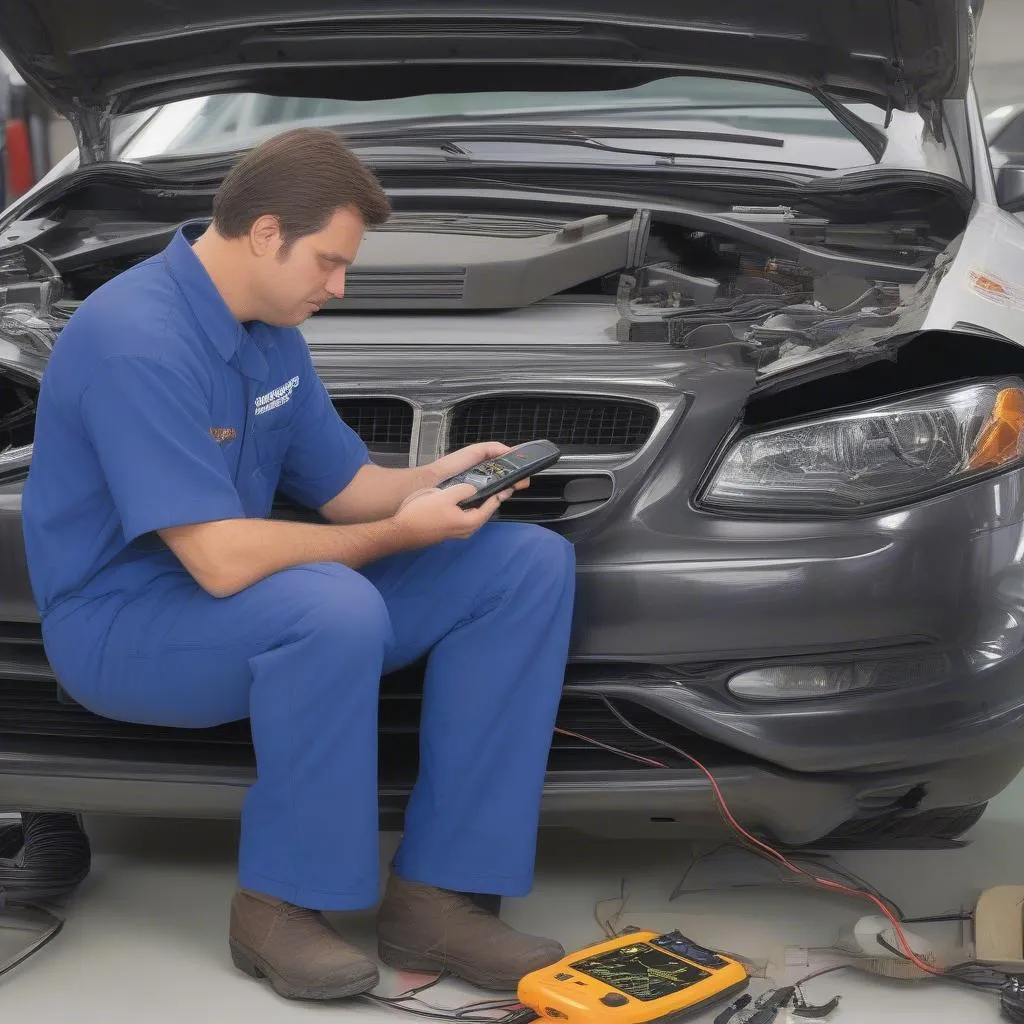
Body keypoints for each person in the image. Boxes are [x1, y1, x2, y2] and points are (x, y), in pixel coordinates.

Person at [21, 127, 576, 1001]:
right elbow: (216, 557)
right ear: (267, 231)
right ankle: (280, 906)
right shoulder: (137, 339)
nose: (339, 285)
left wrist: (436, 481)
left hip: (236, 598)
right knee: (329, 604)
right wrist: (401, 535)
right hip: (120, 625)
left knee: (527, 566)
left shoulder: (269, 327)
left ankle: (440, 896)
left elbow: (349, 486)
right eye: (329, 261)